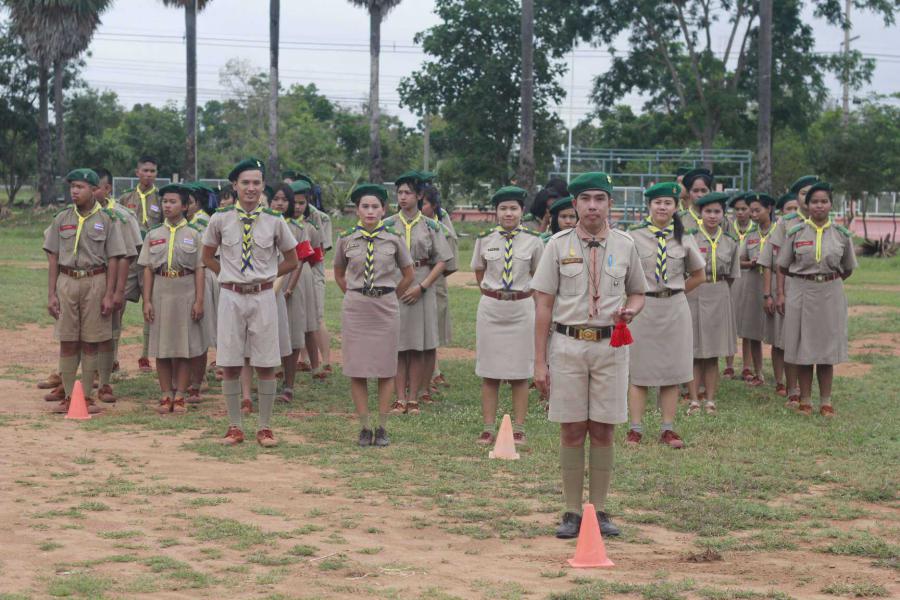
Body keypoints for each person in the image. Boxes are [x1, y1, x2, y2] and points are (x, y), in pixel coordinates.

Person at [532, 172, 647, 540]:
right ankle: (570, 511)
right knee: (570, 427)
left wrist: (631, 310)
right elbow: (543, 305)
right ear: (575, 204)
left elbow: (638, 292)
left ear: (610, 203)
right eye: (585, 199)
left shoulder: (625, 245)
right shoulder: (557, 245)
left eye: (600, 199)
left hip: (610, 346)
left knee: (603, 427)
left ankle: (598, 509)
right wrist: (539, 362)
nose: (593, 206)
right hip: (568, 345)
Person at [201, 158, 298, 447]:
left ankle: (265, 427)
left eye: (256, 182)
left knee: (266, 363)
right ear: (235, 185)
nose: (251, 188)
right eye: (245, 182)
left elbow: (292, 260)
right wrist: (229, 276)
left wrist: (265, 276)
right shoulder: (220, 219)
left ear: (263, 185)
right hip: (231, 296)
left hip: (263, 296)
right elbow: (207, 256)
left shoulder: (274, 220)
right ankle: (234, 427)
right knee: (230, 362)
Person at [625, 182, 705, 449]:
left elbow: (699, 275)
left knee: (672, 371)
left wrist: (676, 292)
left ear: (676, 207)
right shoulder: (633, 236)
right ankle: (635, 429)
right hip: (643, 308)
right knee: (639, 371)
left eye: (668, 203)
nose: (662, 207)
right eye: (657, 202)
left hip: (674, 310)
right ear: (649, 205)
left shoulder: (684, 236)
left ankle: (667, 429)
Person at [334, 184, 415, 446]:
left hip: (385, 308)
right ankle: (364, 427)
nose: (370, 211)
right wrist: (355, 294)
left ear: (384, 210)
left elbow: (408, 274)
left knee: (385, 368)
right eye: (365, 206)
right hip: (357, 308)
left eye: (375, 207)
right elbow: (338, 273)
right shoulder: (346, 239)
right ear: (357, 210)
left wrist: (389, 294)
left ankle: (381, 426)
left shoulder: (394, 239)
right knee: (357, 368)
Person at [43, 169, 126, 415]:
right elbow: (53, 257)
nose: (74, 191)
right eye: (72, 187)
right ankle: (69, 396)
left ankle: (86, 396)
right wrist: (51, 294)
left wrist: (109, 294)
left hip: (95, 280)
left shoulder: (108, 219)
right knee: (68, 340)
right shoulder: (61, 218)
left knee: (91, 341)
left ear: (93, 189)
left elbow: (114, 258)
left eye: (80, 187)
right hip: (67, 280)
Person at [471, 186, 544, 445]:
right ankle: (488, 427)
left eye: (513, 208)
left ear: (522, 211)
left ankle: (519, 428)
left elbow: (540, 275)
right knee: (489, 372)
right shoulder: (485, 238)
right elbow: (479, 271)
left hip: (521, 308)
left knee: (520, 373)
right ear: (496, 212)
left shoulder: (534, 240)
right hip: (492, 308)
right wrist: (493, 293)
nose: (508, 213)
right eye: (503, 208)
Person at [776, 182, 856, 417]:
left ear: (831, 204)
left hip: (830, 293)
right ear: (807, 205)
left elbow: (848, 268)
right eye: (814, 201)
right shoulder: (796, 232)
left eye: (824, 201)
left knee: (826, 349)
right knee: (804, 348)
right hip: (802, 292)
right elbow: (783, 265)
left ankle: (826, 401)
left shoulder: (841, 234)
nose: (819, 206)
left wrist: (828, 280)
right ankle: (805, 400)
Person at [384, 171, 452, 415]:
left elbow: (442, 260)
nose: (403, 197)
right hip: (395, 284)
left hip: (423, 283)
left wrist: (422, 287)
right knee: (398, 344)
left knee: (418, 344)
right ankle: (399, 397)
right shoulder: (388, 224)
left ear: (419, 195)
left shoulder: (431, 226)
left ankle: (414, 396)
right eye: (400, 193)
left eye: (408, 193)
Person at [138, 184, 206, 414]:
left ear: (185, 206)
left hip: (185, 290)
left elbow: (199, 269)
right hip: (161, 290)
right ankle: (166, 393)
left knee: (183, 346)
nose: (167, 205)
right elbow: (148, 269)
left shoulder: (194, 234)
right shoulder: (154, 234)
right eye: (165, 201)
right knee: (162, 345)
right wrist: (147, 300)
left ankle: (180, 395)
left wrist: (199, 300)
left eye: (173, 202)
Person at [761, 175, 816, 406]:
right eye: (803, 193)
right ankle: (791, 388)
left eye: (812, 193)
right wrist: (776, 293)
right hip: (788, 284)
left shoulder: (823, 222)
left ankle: (806, 389)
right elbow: (774, 261)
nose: (808, 198)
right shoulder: (786, 223)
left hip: (813, 288)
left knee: (809, 338)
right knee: (786, 338)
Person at [685, 192, 741, 415]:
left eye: (717, 211)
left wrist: (718, 289)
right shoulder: (690, 239)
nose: (712, 216)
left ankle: (709, 400)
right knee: (693, 349)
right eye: (708, 211)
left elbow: (733, 274)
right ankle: (693, 400)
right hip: (694, 293)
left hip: (719, 293)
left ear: (723, 214)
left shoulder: (730, 241)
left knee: (712, 352)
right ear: (700, 213)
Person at [271, 183, 316, 404]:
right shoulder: (262, 223)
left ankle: (289, 385)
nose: (280, 203)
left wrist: (289, 288)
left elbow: (300, 261)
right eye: (276, 199)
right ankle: (268, 381)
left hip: (291, 286)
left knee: (293, 333)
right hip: (265, 286)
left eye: (284, 200)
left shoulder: (298, 228)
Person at [118, 155, 162, 373]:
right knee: (119, 304)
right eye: (145, 170)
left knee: (150, 304)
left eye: (152, 171)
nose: (148, 175)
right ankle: (113, 356)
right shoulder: (126, 197)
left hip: (151, 260)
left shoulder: (162, 199)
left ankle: (145, 355)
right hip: (130, 258)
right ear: (137, 172)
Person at [758, 191, 803, 397]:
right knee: (779, 339)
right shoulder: (778, 231)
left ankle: (798, 383)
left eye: (796, 208)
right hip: (780, 286)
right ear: (781, 212)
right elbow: (768, 264)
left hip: (800, 284)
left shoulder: (807, 228)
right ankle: (779, 381)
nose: (793, 212)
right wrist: (769, 295)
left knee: (797, 337)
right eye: (788, 209)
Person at [420, 179, 458, 391]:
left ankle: (432, 372)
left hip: (436, 283)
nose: (420, 207)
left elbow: (450, 262)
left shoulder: (441, 227)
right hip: (413, 282)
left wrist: (436, 276)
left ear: (434, 206)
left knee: (433, 327)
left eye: (424, 203)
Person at [736, 193, 777, 387]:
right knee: (753, 331)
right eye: (751, 211)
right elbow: (739, 260)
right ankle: (758, 372)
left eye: (757, 210)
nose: (753, 214)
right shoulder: (751, 235)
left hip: (774, 284)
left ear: (769, 209)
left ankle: (781, 377)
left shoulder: (779, 231)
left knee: (777, 332)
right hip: (753, 284)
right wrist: (750, 263)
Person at [289, 180, 325, 376]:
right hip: (282, 274)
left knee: (309, 323)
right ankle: (282, 366)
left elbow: (317, 256)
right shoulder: (279, 223)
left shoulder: (310, 227)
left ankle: (315, 365)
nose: (297, 207)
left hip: (304, 275)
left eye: (301, 203)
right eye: (294, 202)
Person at [723, 192, 755, 380]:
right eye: (737, 209)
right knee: (730, 323)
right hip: (732, 279)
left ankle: (747, 366)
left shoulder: (755, 229)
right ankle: (728, 365)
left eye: (744, 209)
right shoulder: (728, 229)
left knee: (748, 323)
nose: (741, 212)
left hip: (750, 279)